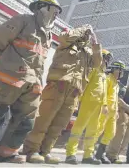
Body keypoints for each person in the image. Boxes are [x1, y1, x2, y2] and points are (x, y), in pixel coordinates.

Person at [0, 0, 61, 163]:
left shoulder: (47, 34)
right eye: (55, 11)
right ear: (43, 8)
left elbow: (38, 60)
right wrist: (5, 63)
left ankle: (6, 153)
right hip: (8, 78)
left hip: (31, 84)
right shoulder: (23, 20)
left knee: (26, 122)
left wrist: (37, 82)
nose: (56, 16)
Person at [23, 23, 102, 164]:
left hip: (74, 93)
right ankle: (32, 150)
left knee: (59, 124)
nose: (85, 35)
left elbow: (97, 63)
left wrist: (95, 42)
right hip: (58, 86)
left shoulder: (87, 52)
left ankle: (45, 151)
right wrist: (84, 28)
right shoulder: (66, 44)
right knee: (44, 120)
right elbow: (66, 36)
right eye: (84, 34)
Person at [64, 49, 112, 164]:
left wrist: (105, 105)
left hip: (99, 106)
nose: (107, 61)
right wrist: (78, 101)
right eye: (106, 58)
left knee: (92, 131)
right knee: (78, 128)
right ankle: (70, 154)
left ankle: (88, 155)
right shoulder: (93, 69)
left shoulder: (103, 75)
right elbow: (84, 84)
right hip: (88, 102)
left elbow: (104, 92)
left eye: (108, 59)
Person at [94, 60, 126, 164]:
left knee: (111, 133)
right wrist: (104, 105)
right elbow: (103, 93)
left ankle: (100, 154)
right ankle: (90, 152)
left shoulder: (116, 84)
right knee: (98, 131)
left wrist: (116, 111)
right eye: (119, 70)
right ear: (113, 69)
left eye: (121, 71)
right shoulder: (108, 79)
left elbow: (115, 98)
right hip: (105, 110)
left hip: (113, 112)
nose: (120, 72)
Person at [106, 80, 129, 164]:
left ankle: (116, 155)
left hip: (128, 117)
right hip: (122, 114)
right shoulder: (124, 90)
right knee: (119, 136)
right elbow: (119, 100)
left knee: (127, 137)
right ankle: (111, 155)